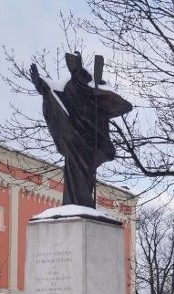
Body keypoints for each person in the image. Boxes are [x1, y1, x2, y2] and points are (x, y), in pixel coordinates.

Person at [30, 52, 132, 208]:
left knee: (84, 172)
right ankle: (75, 205)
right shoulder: (68, 87)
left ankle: (82, 205)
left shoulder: (92, 83)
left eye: (72, 61)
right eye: (68, 61)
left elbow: (123, 106)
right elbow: (53, 96)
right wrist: (41, 85)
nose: (70, 64)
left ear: (78, 62)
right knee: (73, 171)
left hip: (92, 141)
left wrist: (101, 95)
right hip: (74, 138)